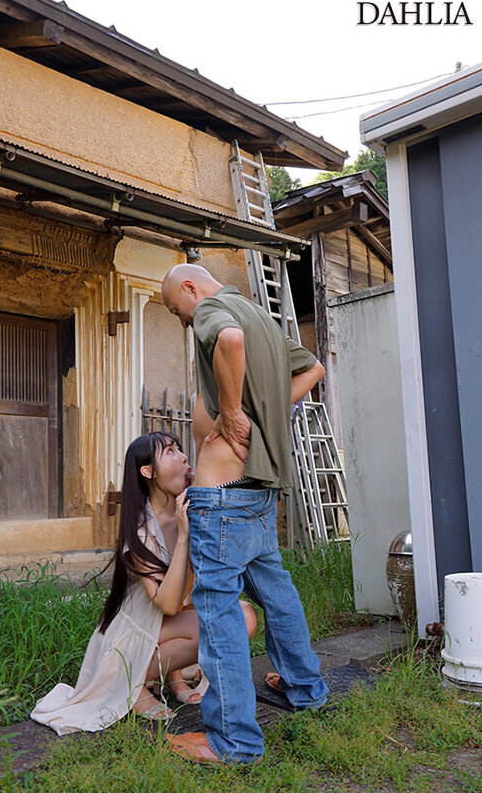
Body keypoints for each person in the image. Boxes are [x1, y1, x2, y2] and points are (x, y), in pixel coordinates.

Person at [162, 264, 329, 765]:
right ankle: (306, 689)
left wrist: (234, 412)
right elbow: (314, 368)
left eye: (177, 311)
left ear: (190, 288)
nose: (183, 322)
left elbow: (228, 341)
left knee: (218, 618)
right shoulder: (262, 316)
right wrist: (265, 415)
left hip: (223, 499)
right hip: (257, 491)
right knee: (277, 596)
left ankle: (234, 743)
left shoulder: (218, 311)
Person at [31, 431, 258, 735]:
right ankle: (133, 684)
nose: (184, 457)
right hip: (132, 634)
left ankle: (171, 675)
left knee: (245, 616)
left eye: (180, 449)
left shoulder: (189, 511)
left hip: (166, 624)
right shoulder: (140, 533)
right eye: (171, 452)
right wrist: (183, 537)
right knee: (222, 623)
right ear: (148, 472)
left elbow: (191, 593)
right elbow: (166, 602)